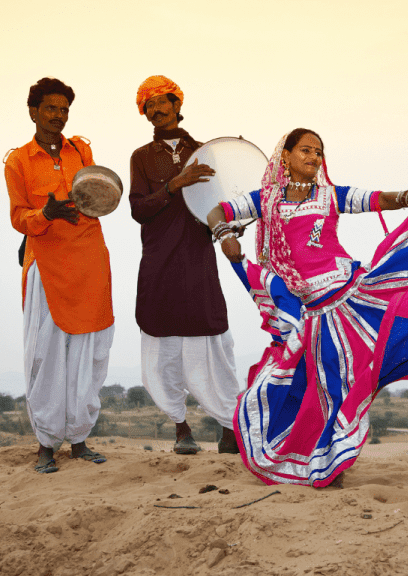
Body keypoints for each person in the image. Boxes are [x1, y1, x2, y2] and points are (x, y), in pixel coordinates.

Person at [207, 128, 408, 487]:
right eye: (305, 150)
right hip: (307, 311)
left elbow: (375, 199)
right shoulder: (265, 200)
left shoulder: (330, 196)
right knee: (309, 386)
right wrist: (224, 234)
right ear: (286, 156)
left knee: (341, 385)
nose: (314, 158)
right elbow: (216, 211)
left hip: (349, 300)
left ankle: (332, 465)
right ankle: (316, 460)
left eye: (318, 152)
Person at [5, 78, 114, 473]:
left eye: (64, 109)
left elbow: (98, 194)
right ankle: (46, 446)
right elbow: (19, 217)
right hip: (47, 265)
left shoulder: (81, 150)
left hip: (89, 259)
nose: (58, 115)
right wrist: (46, 214)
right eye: (51, 108)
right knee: (46, 355)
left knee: (89, 351)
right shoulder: (18, 161)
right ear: (33, 111)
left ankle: (80, 440)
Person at [129, 75, 240, 455]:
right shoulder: (141, 157)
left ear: (177, 105)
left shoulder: (206, 152)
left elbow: (218, 205)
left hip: (198, 260)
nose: (156, 109)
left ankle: (228, 428)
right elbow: (138, 209)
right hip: (158, 261)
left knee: (213, 342)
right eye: (149, 105)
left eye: (162, 101)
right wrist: (174, 185)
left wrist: (227, 233)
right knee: (162, 348)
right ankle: (181, 428)